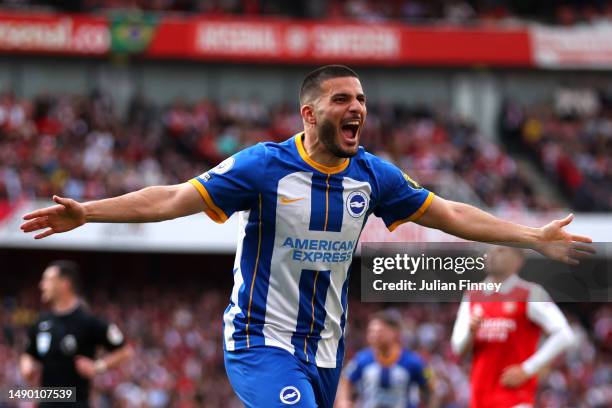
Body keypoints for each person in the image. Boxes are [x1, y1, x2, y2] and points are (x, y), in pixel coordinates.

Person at [20, 65, 591, 408]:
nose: (357, 109)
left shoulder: (373, 175)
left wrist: (531, 238)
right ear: (308, 113)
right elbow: (170, 198)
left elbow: (450, 214)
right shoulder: (262, 167)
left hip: (325, 348)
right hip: (260, 339)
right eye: (343, 99)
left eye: (362, 100)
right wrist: (90, 212)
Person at [450, 247, 576, 408]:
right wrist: (470, 332)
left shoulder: (530, 293)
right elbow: (457, 349)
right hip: (479, 397)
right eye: (490, 250)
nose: (493, 255)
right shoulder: (472, 295)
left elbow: (564, 334)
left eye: (501, 250)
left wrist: (527, 369)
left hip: (515, 398)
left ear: (518, 260)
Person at [19, 260, 133, 407]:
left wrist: (98, 366)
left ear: (64, 284)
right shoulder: (41, 322)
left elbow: (125, 351)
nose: (42, 285)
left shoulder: (89, 322)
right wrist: (26, 366)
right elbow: (29, 353)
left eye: (47, 280)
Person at [336, 309, 439, 408]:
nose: (374, 335)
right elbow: (345, 380)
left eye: (379, 331)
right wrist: (343, 401)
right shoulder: (361, 359)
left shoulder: (414, 361)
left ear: (395, 332)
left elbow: (432, 385)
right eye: (371, 331)